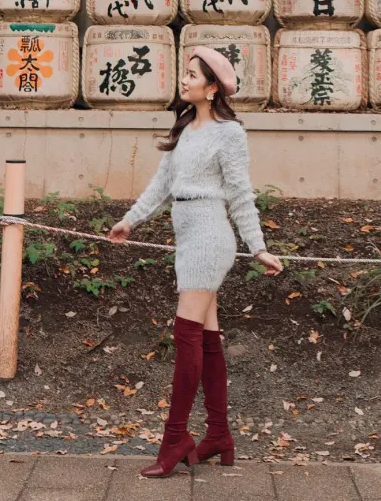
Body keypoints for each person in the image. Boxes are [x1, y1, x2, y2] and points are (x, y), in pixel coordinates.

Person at [108, 46, 284, 478]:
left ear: (211, 88)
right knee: (207, 337)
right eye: (184, 74)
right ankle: (219, 436)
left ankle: (175, 440)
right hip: (187, 234)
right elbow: (161, 184)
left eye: (192, 75)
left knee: (184, 333)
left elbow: (241, 194)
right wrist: (130, 221)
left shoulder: (229, 134)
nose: (183, 80)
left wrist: (257, 246)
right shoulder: (186, 127)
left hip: (210, 236)